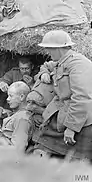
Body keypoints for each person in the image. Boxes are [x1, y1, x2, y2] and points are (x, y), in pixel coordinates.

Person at [33, 30, 92, 161]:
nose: (48, 52)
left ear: (58, 48)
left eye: (49, 49)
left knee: (77, 162)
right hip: (63, 115)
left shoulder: (78, 65)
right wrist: (43, 73)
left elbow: (82, 99)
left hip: (81, 121)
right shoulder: (61, 61)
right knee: (41, 147)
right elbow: (47, 66)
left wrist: (71, 128)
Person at [0, 81, 34, 153]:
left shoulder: (22, 119)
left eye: (11, 96)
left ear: (22, 97)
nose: (7, 99)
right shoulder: (20, 114)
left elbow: (17, 149)